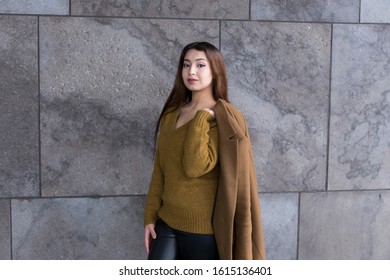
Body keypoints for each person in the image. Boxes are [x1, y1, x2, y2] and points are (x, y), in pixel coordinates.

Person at [144, 42, 266, 260]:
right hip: (166, 223)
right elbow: (160, 172)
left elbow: (194, 166)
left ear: (215, 71)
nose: (191, 71)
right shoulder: (171, 115)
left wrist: (201, 119)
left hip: (203, 232)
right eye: (186, 65)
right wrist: (150, 217)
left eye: (200, 65)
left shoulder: (224, 119)